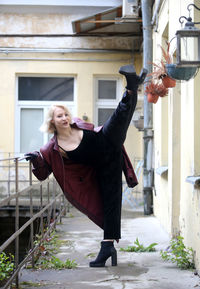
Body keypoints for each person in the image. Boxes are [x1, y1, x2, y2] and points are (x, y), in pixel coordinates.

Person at [25, 64, 147, 268]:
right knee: (110, 204)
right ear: (52, 122)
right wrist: (35, 159)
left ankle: (131, 87)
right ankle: (107, 247)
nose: (64, 118)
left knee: (119, 117)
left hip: (108, 140)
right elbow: (43, 173)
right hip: (103, 167)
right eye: (59, 116)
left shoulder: (78, 123)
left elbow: (97, 130)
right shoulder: (52, 147)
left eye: (65, 114)